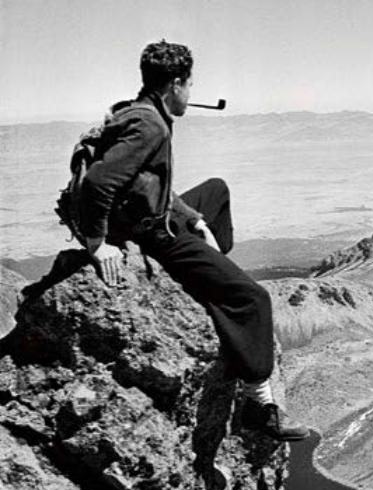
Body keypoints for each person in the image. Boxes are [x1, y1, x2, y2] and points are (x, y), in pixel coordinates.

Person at [80, 40, 308, 442]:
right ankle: (260, 408)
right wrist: (98, 244)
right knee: (254, 299)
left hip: (160, 215)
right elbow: (100, 183)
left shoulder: (139, 112)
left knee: (216, 191)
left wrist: (195, 218)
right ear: (176, 84)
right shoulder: (150, 125)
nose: (191, 94)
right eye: (189, 85)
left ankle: (214, 269)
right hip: (153, 235)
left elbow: (154, 186)